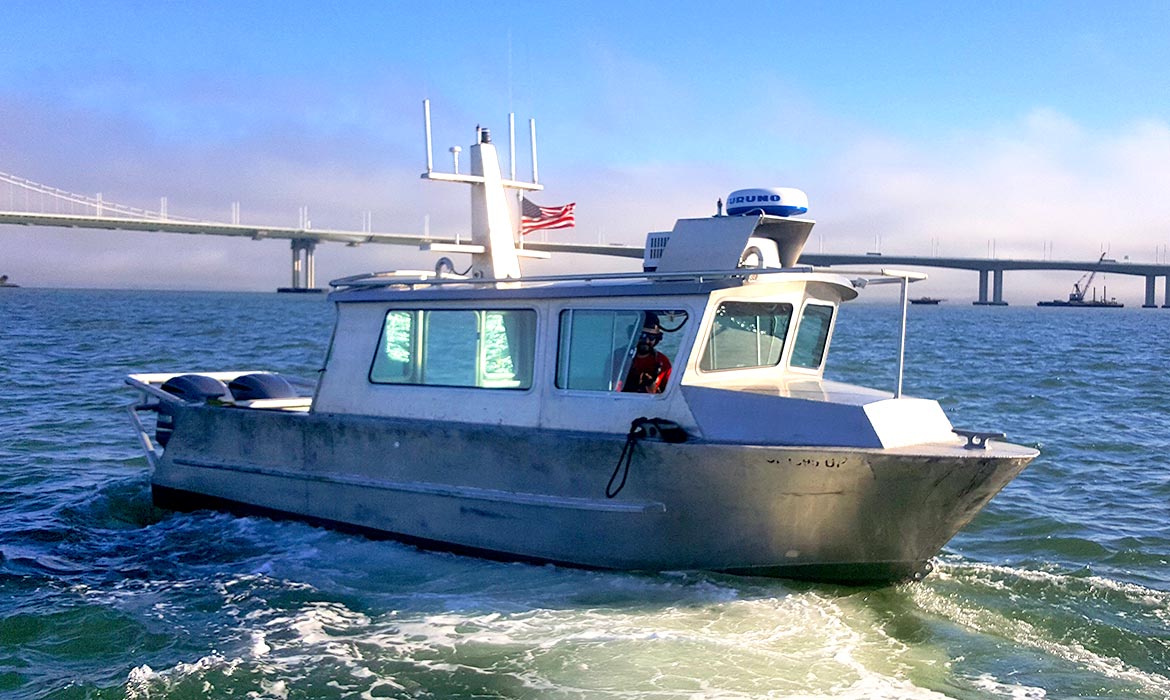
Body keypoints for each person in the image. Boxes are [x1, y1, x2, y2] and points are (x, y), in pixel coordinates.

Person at [621, 313, 672, 394]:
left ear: (657, 339)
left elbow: (668, 393)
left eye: (651, 337)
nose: (646, 341)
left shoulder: (662, 361)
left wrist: (651, 387)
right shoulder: (619, 357)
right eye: (641, 336)